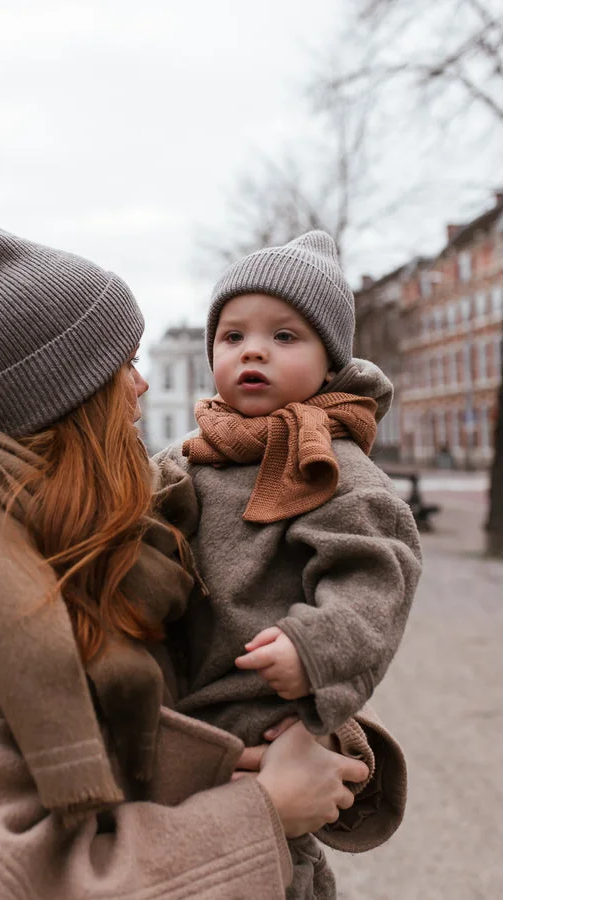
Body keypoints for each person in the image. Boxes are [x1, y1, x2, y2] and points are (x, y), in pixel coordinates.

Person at [0, 207, 385, 900]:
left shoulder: (112, 537)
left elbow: (198, 690)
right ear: (65, 395)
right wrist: (259, 815)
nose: (141, 386)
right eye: (124, 364)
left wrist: (319, 743)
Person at [150, 230, 424, 897]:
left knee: (276, 861)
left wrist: (313, 648)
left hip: (261, 709)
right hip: (180, 710)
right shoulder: (190, 458)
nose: (252, 351)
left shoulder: (331, 466)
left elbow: (377, 573)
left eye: (284, 337)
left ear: (330, 364)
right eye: (233, 335)